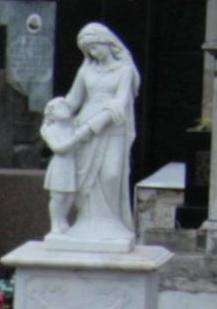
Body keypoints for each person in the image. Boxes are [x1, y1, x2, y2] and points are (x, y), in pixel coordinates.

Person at [38, 21, 142, 249]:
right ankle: (86, 221)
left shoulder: (124, 69)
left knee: (111, 174)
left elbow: (121, 102)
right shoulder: (86, 70)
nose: (93, 53)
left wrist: (94, 125)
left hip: (112, 128)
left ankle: (110, 222)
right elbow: (73, 101)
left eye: (96, 47)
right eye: (88, 49)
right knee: (85, 177)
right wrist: (51, 118)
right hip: (85, 127)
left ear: (107, 42)